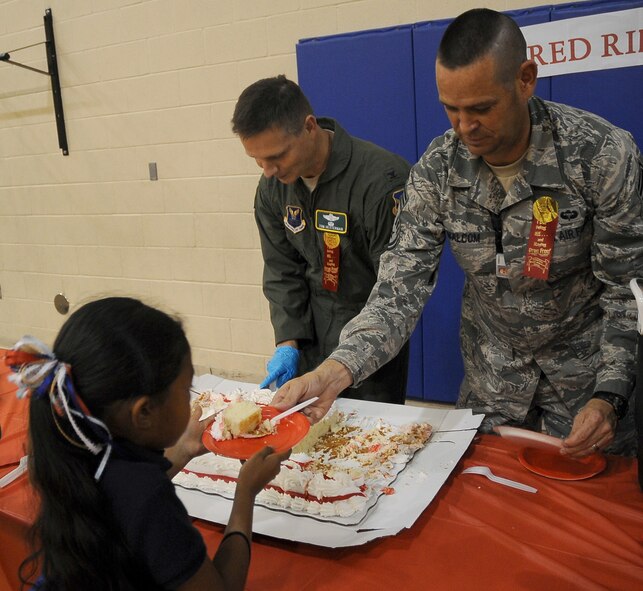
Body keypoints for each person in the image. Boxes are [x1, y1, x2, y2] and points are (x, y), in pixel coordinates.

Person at [272, 8, 642, 458]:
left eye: (481, 108)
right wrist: (334, 370)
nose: (465, 127)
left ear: (525, 79)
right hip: (494, 387)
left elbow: (627, 291)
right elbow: (398, 290)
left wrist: (612, 393)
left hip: (589, 386)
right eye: (451, 108)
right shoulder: (437, 171)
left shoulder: (601, 156)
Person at [7, 297, 289, 591]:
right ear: (143, 413)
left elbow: (120, 501)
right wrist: (246, 492)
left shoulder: (70, 451)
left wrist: (184, 449)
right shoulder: (148, 495)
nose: (191, 398)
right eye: (186, 389)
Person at [231, 75, 411, 404]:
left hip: (368, 349)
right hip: (309, 343)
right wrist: (288, 342)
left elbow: (395, 290)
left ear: (309, 126)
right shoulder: (274, 187)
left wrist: (347, 359)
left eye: (276, 156)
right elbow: (281, 268)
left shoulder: (380, 181)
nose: (268, 170)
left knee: (366, 446)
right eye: (257, 160)